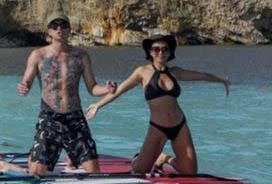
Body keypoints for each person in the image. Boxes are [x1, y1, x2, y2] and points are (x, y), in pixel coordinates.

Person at [86, 33, 230, 174]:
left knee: (190, 171)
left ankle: (165, 158)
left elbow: (201, 75)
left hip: (179, 125)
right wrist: (98, 105)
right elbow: (119, 90)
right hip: (158, 127)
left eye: (165, 49)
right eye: (156, 49)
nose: (161, 52)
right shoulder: (142, 72)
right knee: (139, 170)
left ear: (169, 52)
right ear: (150, 52)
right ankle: (139, 158)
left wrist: (220, 80)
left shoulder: (175, 72)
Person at [17, 14, 117, 175]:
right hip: (49, 116)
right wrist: (24, 87)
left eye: (63, 25)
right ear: (48, 31)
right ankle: (36, 154)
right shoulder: (38, 55)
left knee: (94, 172)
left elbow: (92, 88)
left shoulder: (81, 56)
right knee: (37, 172)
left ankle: (70, 156)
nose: (59, 28)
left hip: (74, 118)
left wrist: (107, 89)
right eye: (54, 25)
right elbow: (26, 81)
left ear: (69, 29)